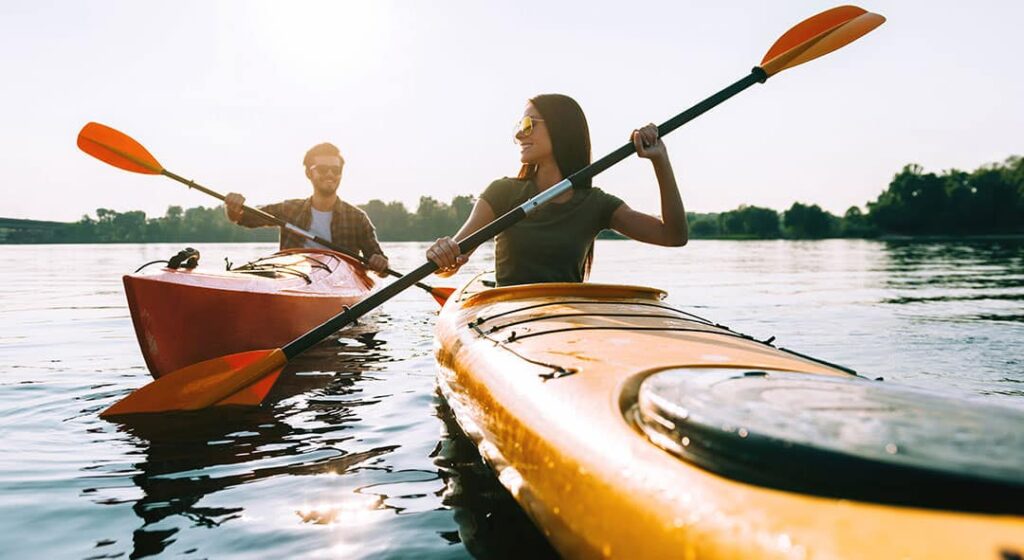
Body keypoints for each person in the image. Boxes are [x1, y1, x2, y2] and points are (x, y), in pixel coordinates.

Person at [425, 94, 687, 286]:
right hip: (506, 318)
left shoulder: (596, 205)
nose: (519, 136)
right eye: (519, 127)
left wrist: (660, 159)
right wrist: (444, 254)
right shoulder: (502, 193)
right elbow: (450, 266)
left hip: (566, 322)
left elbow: (673, 236)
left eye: (528, 124)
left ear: (560, 129)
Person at [224, 142, 389, 276]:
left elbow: (381, 269)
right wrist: (232, 206)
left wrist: (380, 263)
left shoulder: (357, 218)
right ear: (309, 174)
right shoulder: (289, 209)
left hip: (340, 282)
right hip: (292, 277)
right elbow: (242, 218)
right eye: (323, 169)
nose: (330, 174)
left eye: (336, 170)